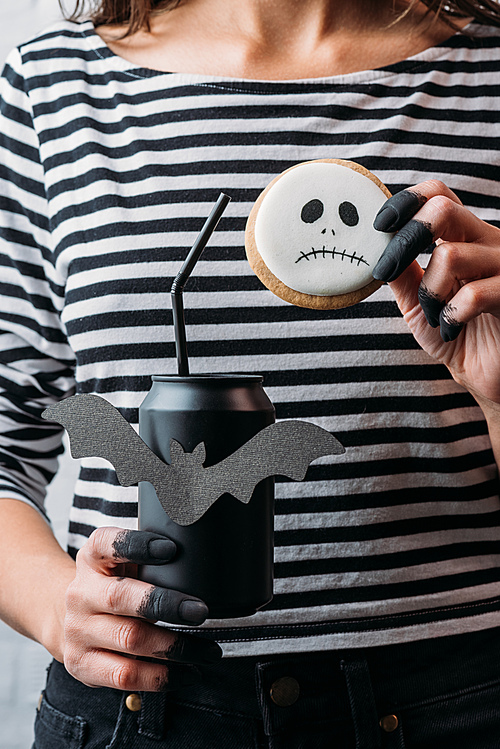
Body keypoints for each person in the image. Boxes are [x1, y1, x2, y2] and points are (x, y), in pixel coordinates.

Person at [0, 0, 500, 746]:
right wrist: (55, 608)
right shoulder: (53, 89)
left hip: (455, 700)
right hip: (139, 704)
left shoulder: (486, 80)